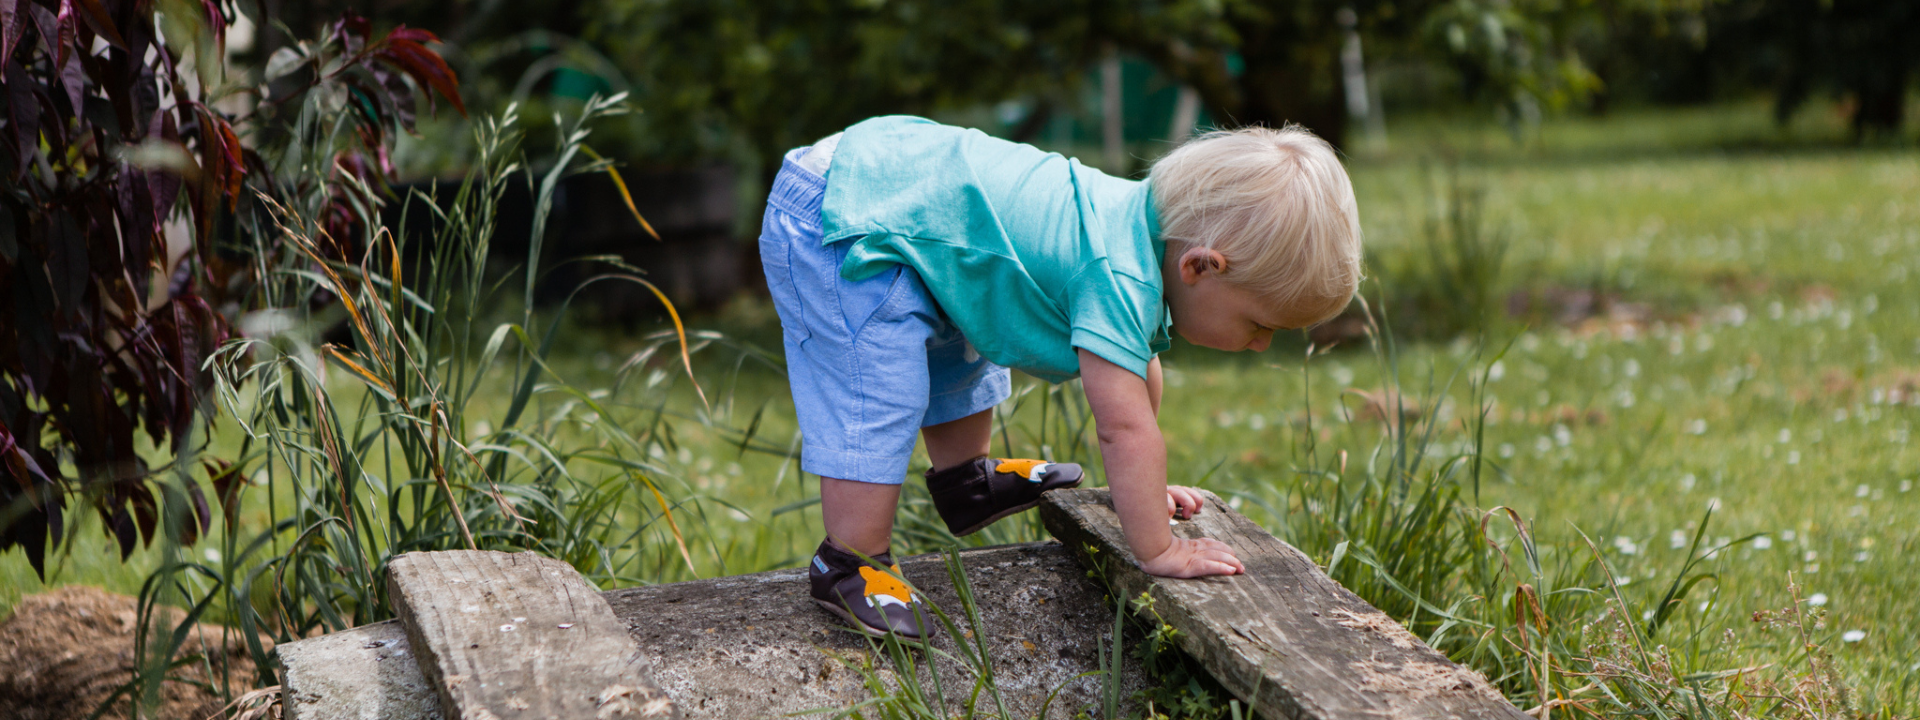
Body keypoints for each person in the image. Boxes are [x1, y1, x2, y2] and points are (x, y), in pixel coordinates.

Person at [759, 116, 1363, 637]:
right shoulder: (1116, 271)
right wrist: (1157, 546)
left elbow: (1139, 372)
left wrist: (1147, 494)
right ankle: (849, 562)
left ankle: (965, 481)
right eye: (1261, 324)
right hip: (840, 215)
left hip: (898, 187)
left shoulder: (1137, 229)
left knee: (960, 333)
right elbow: (1123, 430)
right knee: (880, 387)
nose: (1260, 346)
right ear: (1201, 267)